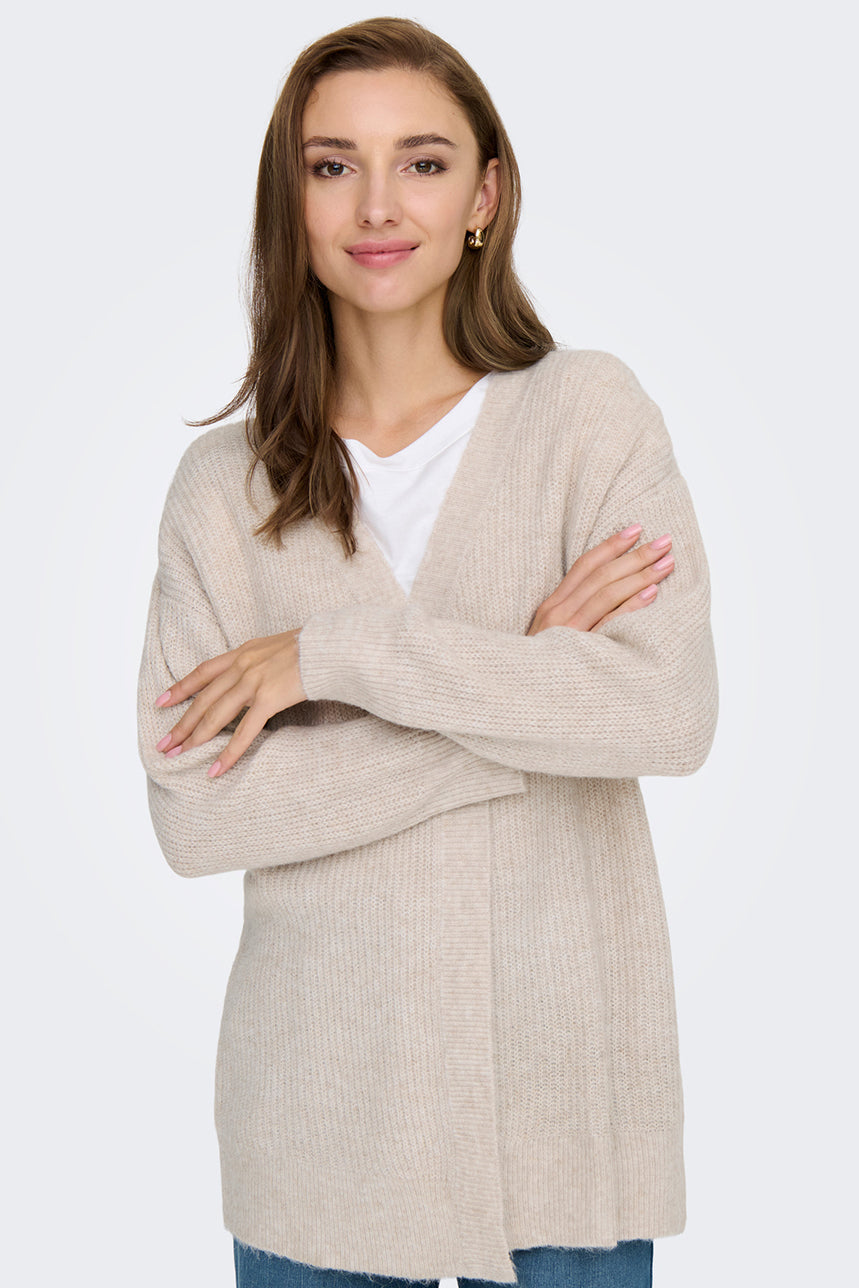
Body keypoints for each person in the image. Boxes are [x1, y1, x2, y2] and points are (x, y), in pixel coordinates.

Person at [136, 16, 718, 1288]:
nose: (377, 205)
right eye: (331, 165)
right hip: (319, 1121)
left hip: (562, 1109)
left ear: (484, 195)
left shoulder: (588, 416)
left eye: (423, 161)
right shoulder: (222, 488)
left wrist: (332, 660)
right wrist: (527, 686)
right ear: (289, 201)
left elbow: (666, 713)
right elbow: (197, 812)